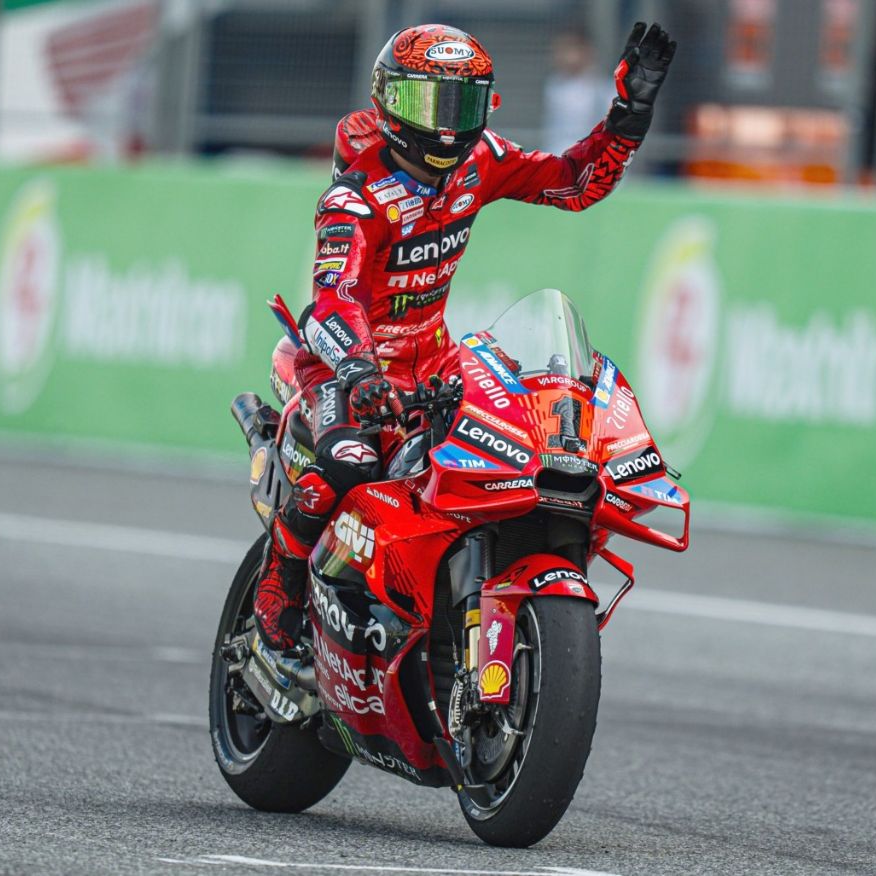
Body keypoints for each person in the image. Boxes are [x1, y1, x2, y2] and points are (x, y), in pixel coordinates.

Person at [254, 21, 677, 651]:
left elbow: (575, 182)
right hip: (344, 371)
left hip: (434, 362)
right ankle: (279, 584)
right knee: (347, 465)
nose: (449, 124)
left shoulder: (482, 160)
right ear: (391, 102)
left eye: (465, 103)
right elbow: (333, 301)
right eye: (432, 103)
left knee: (512, 447)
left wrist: (629, 114)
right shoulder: (355, 198)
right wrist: (361, 373)